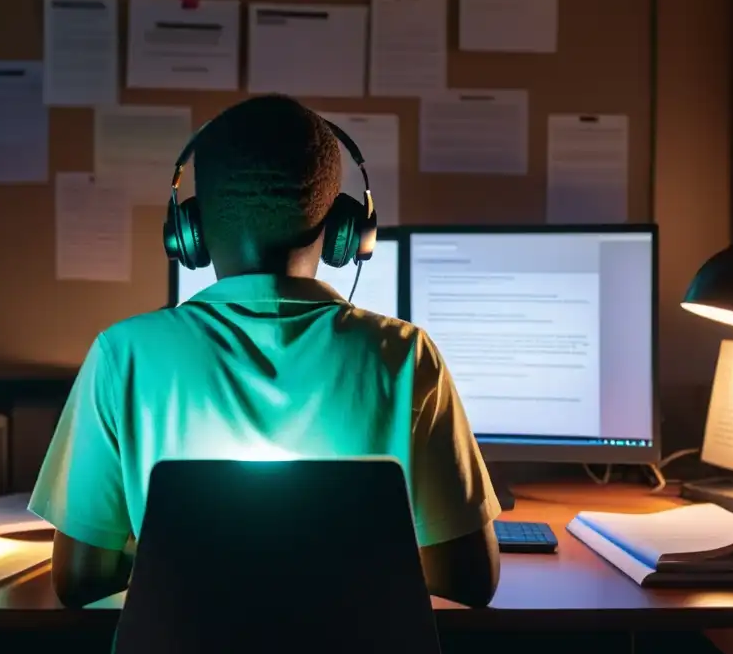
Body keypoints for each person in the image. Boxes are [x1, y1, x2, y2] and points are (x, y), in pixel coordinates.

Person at [28, 94, 501, 610]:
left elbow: (78, 581)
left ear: (190, 232)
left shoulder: (123, 354)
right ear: (345, 231)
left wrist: (191, 558)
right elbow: (469, 580)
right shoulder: (406, 357)